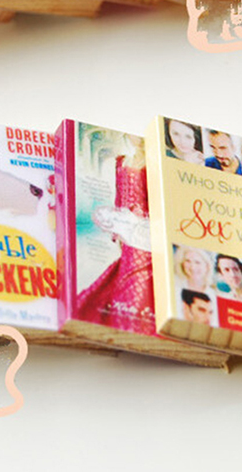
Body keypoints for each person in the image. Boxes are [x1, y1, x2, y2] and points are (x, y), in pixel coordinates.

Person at [77, 140, 155, 335]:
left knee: (137, 272)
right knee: (124, 268)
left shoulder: (153, 164)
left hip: (144, 230)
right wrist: (116, 229)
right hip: (124, 227)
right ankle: (119, 315)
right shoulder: (121, 161)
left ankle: (133, 317)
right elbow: (119, 196)